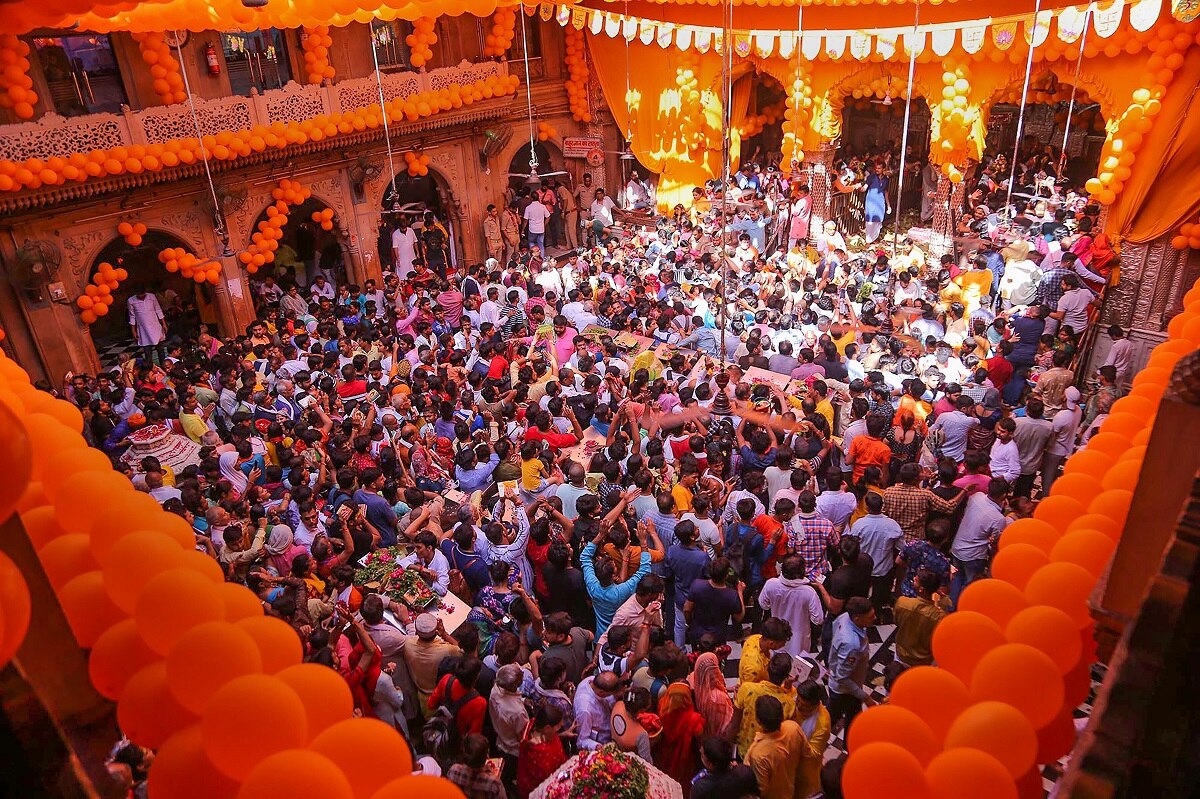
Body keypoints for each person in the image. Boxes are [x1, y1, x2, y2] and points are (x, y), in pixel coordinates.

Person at [949, 478, 1010, 607]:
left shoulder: (977, 496)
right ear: (1004, 496)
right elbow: (995, 539)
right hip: (974, 555)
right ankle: (963, 608)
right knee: (969, 584)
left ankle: (951, 607)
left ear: (988, 489)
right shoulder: (998, 519)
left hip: (957, 547)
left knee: (957, 579)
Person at [845, 492, 904, 618]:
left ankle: (862, 617)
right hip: (883, 569)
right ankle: (875, 615)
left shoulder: (859, 525)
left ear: (866, 507)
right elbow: (901, 547)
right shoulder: (892, 525)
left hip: (863, 568)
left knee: (862, 595)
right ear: (882, 506)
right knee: (879, 597)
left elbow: (852, 545)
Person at [758, 554, 824, 656]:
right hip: (799, 641)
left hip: (776, 637)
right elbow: (818, 619)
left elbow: (763, 605)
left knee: (777, 666)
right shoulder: (809, 592)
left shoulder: (771, 584)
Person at [745, 694, 808, 799]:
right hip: (790, 790)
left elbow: (762, 790)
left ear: (758, 720)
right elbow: (806, 753)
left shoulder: (759, 754)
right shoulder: (793, 727)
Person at [827, 596, 876, 729]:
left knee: (834, 716)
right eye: (870, 617)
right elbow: (843, 677)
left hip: (840, 682)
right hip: (845, 691)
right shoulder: (852, 644)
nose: (875, 618)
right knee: (851, 722)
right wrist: (865, 697)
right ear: (857, 619)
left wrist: (832, 665)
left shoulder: (844, 617)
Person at [892, 571, 946, 672]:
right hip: (923, 660)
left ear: (921, 589)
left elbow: (896, 621)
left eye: (916, 581)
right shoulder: (939, 616)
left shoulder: (902, 602)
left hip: (901, 654)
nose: (913, 581)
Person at [127, 286, 166, 365]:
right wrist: (133, 331)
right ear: (136, 293)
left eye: (143, 294)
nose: (141, 296)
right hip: (143, 330)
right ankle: (149, 370)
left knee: (161, 351)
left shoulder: (152, 296)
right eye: (139, 295)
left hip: (156, 327)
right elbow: (132, 316)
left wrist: (164, 323)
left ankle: (164, 367)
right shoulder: (131, 301)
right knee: (148, 354)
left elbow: (158, 310)